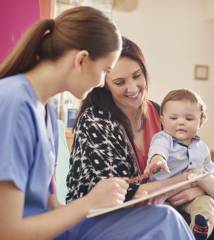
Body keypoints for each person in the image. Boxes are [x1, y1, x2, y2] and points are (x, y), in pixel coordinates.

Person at [0, 7, 194, 240]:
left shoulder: (46, 111)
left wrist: (98, 202)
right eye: (106, 71)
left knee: (164, 219)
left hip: (55, 230)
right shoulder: (14, 103)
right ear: (81, 60)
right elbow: (7, 231)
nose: (103, 81)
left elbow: (52, 208)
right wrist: (89, 203)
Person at [67, 37, 214, 240]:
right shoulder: (96, 121)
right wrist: (189, 181)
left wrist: (196, 188)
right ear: (105, 85)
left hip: (162, 198)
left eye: (137, 76)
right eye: (120, 82)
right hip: (114, 213)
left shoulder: (159, 111)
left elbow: (192, 159)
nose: (133, 88)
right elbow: (122, 195)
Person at [146, 89, 214, 240]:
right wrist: (158, 159)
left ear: (201, 121)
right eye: (173, 118)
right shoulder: (163, 139)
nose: (181, 122)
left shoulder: (202, 148)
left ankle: (201, 228)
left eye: (189, 119)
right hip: (164, 195)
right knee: (163, 214)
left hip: (192, 197)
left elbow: (211, 175)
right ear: (162, 120)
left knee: (206, 204)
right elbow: (158, 150)